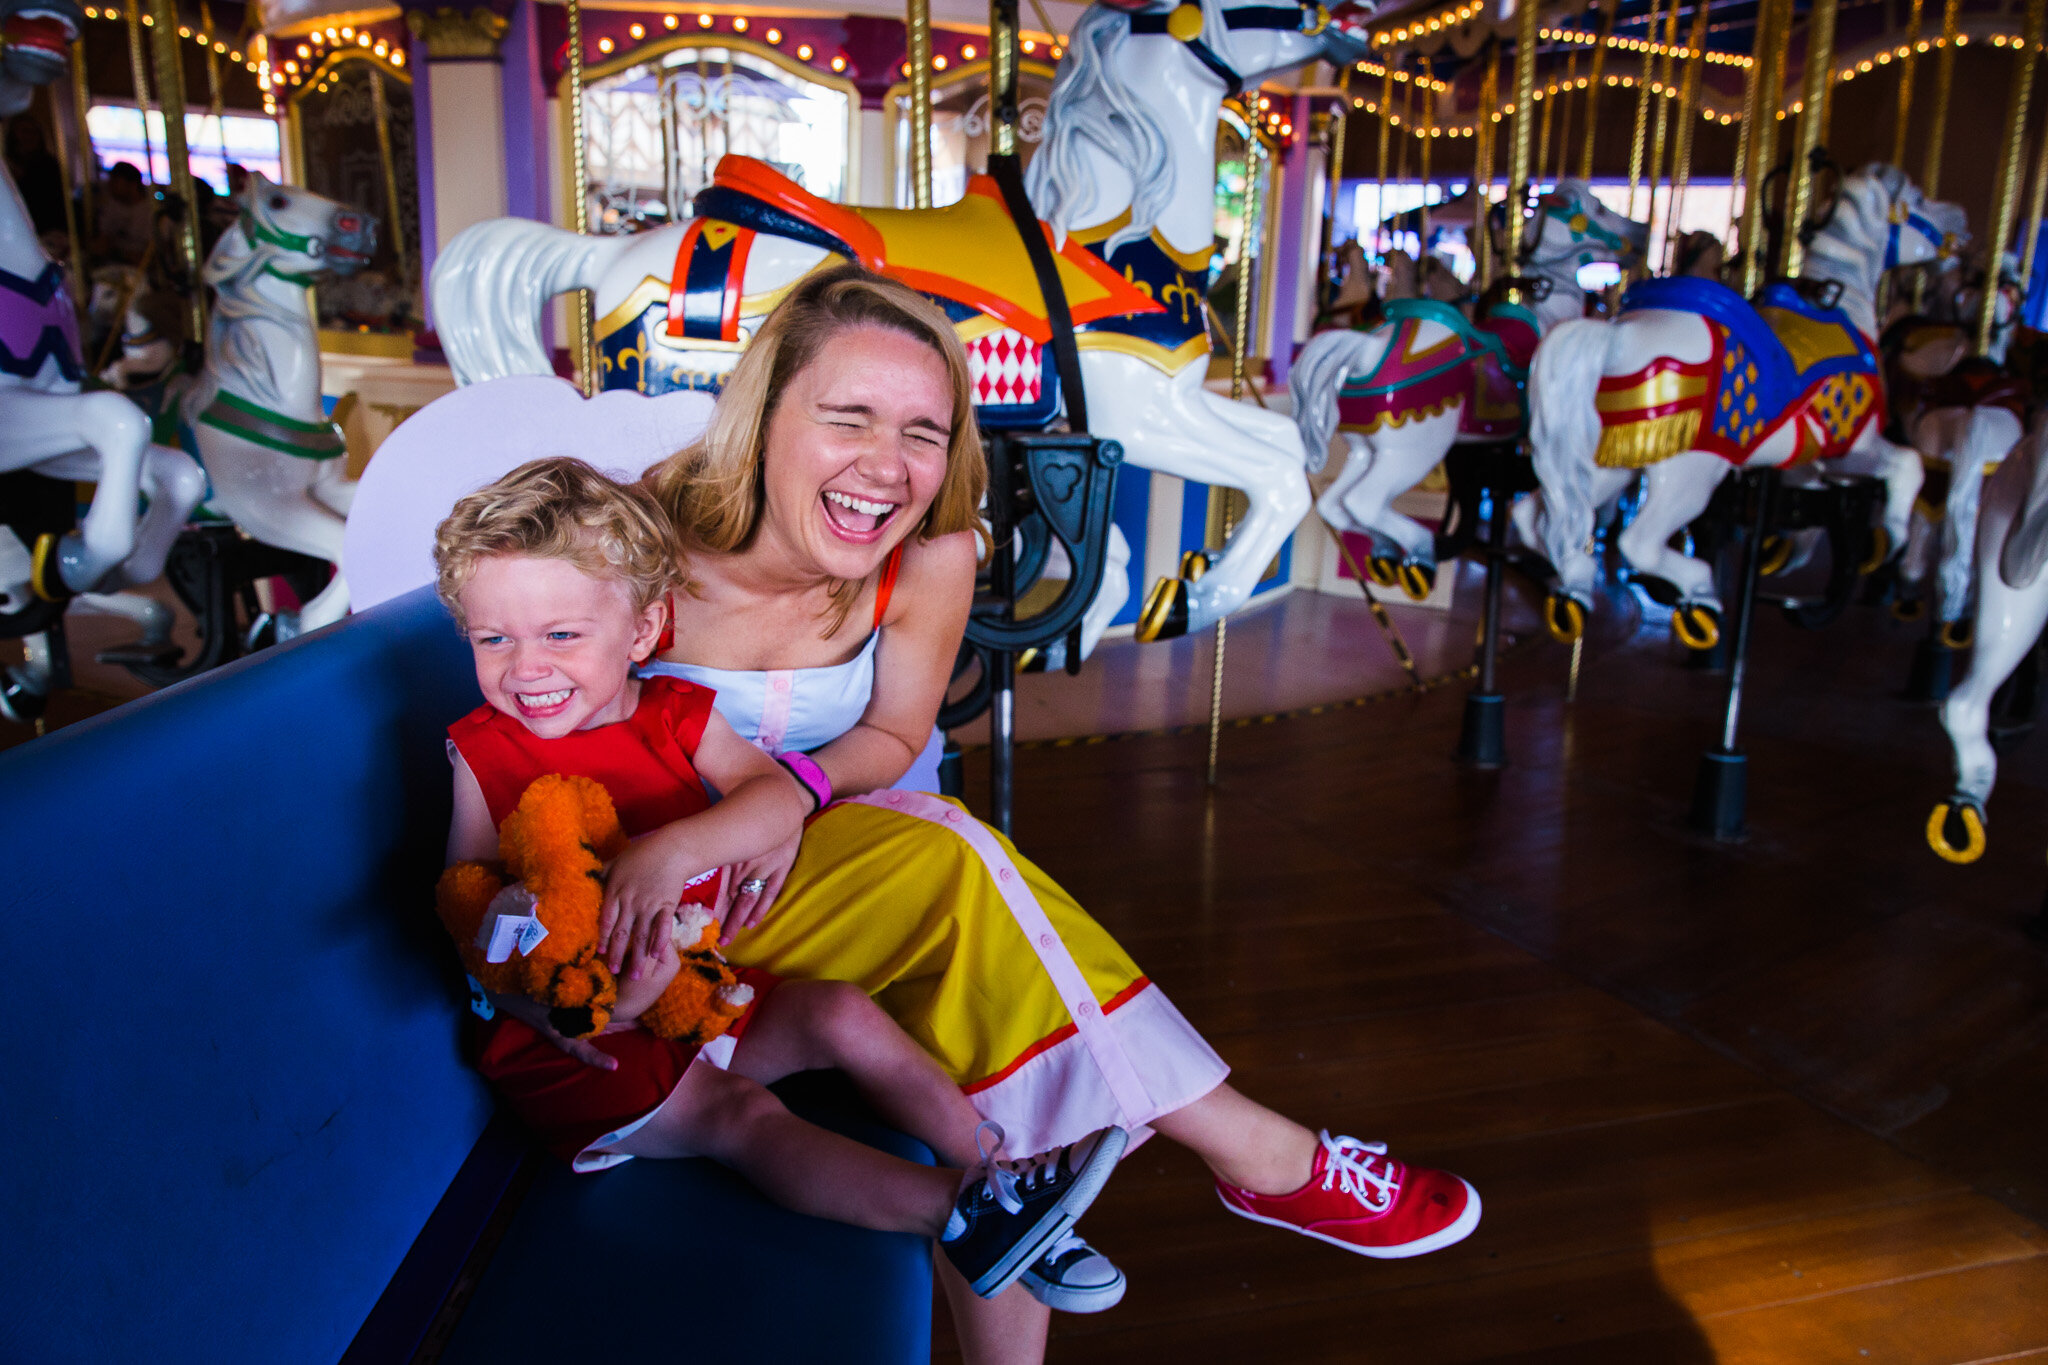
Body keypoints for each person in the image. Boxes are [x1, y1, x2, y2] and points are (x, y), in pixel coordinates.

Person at [610, 265, 1483, 1353]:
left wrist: (784, 803)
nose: (886, 467)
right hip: (664, 921)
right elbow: (536, 736)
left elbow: (887, 742)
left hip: (838, 893)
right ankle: (1254, 1150)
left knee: (990, 1075)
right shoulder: (638, 545)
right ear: (763, 417)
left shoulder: (928, 555)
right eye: (848, 418)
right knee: (959, 859)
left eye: (924, 432)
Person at [433, 456, 1128, 1326]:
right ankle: (958, 1211)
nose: (524, 667)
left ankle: (1003, 1176)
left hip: (697, 993)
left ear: (644, 629)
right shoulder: (483, 748)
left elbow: (772, 794)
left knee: (839, 1012)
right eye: (492, 639)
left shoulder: (676, 712)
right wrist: (552, 1007)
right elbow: (467, 899)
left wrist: (673, 851)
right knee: (746, 1118)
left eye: (560, 635)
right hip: (583, 1045)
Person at [90, 161, 152, 266]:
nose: (110, 185)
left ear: (132, 184)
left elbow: (149, 255)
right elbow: (103, 238)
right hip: (112, 264)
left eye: (115, 181)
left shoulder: (149, 212)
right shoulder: (111, 204)